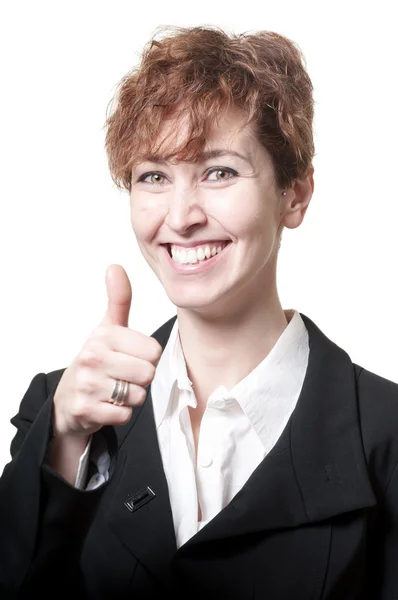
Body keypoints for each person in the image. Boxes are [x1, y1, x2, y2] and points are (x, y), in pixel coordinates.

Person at [1, 24, 398, 600]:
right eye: (153, 176)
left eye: (219, 172)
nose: (182, 216)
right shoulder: (61, 413)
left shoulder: (386, 437)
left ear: (296, 193)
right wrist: (65, 445)